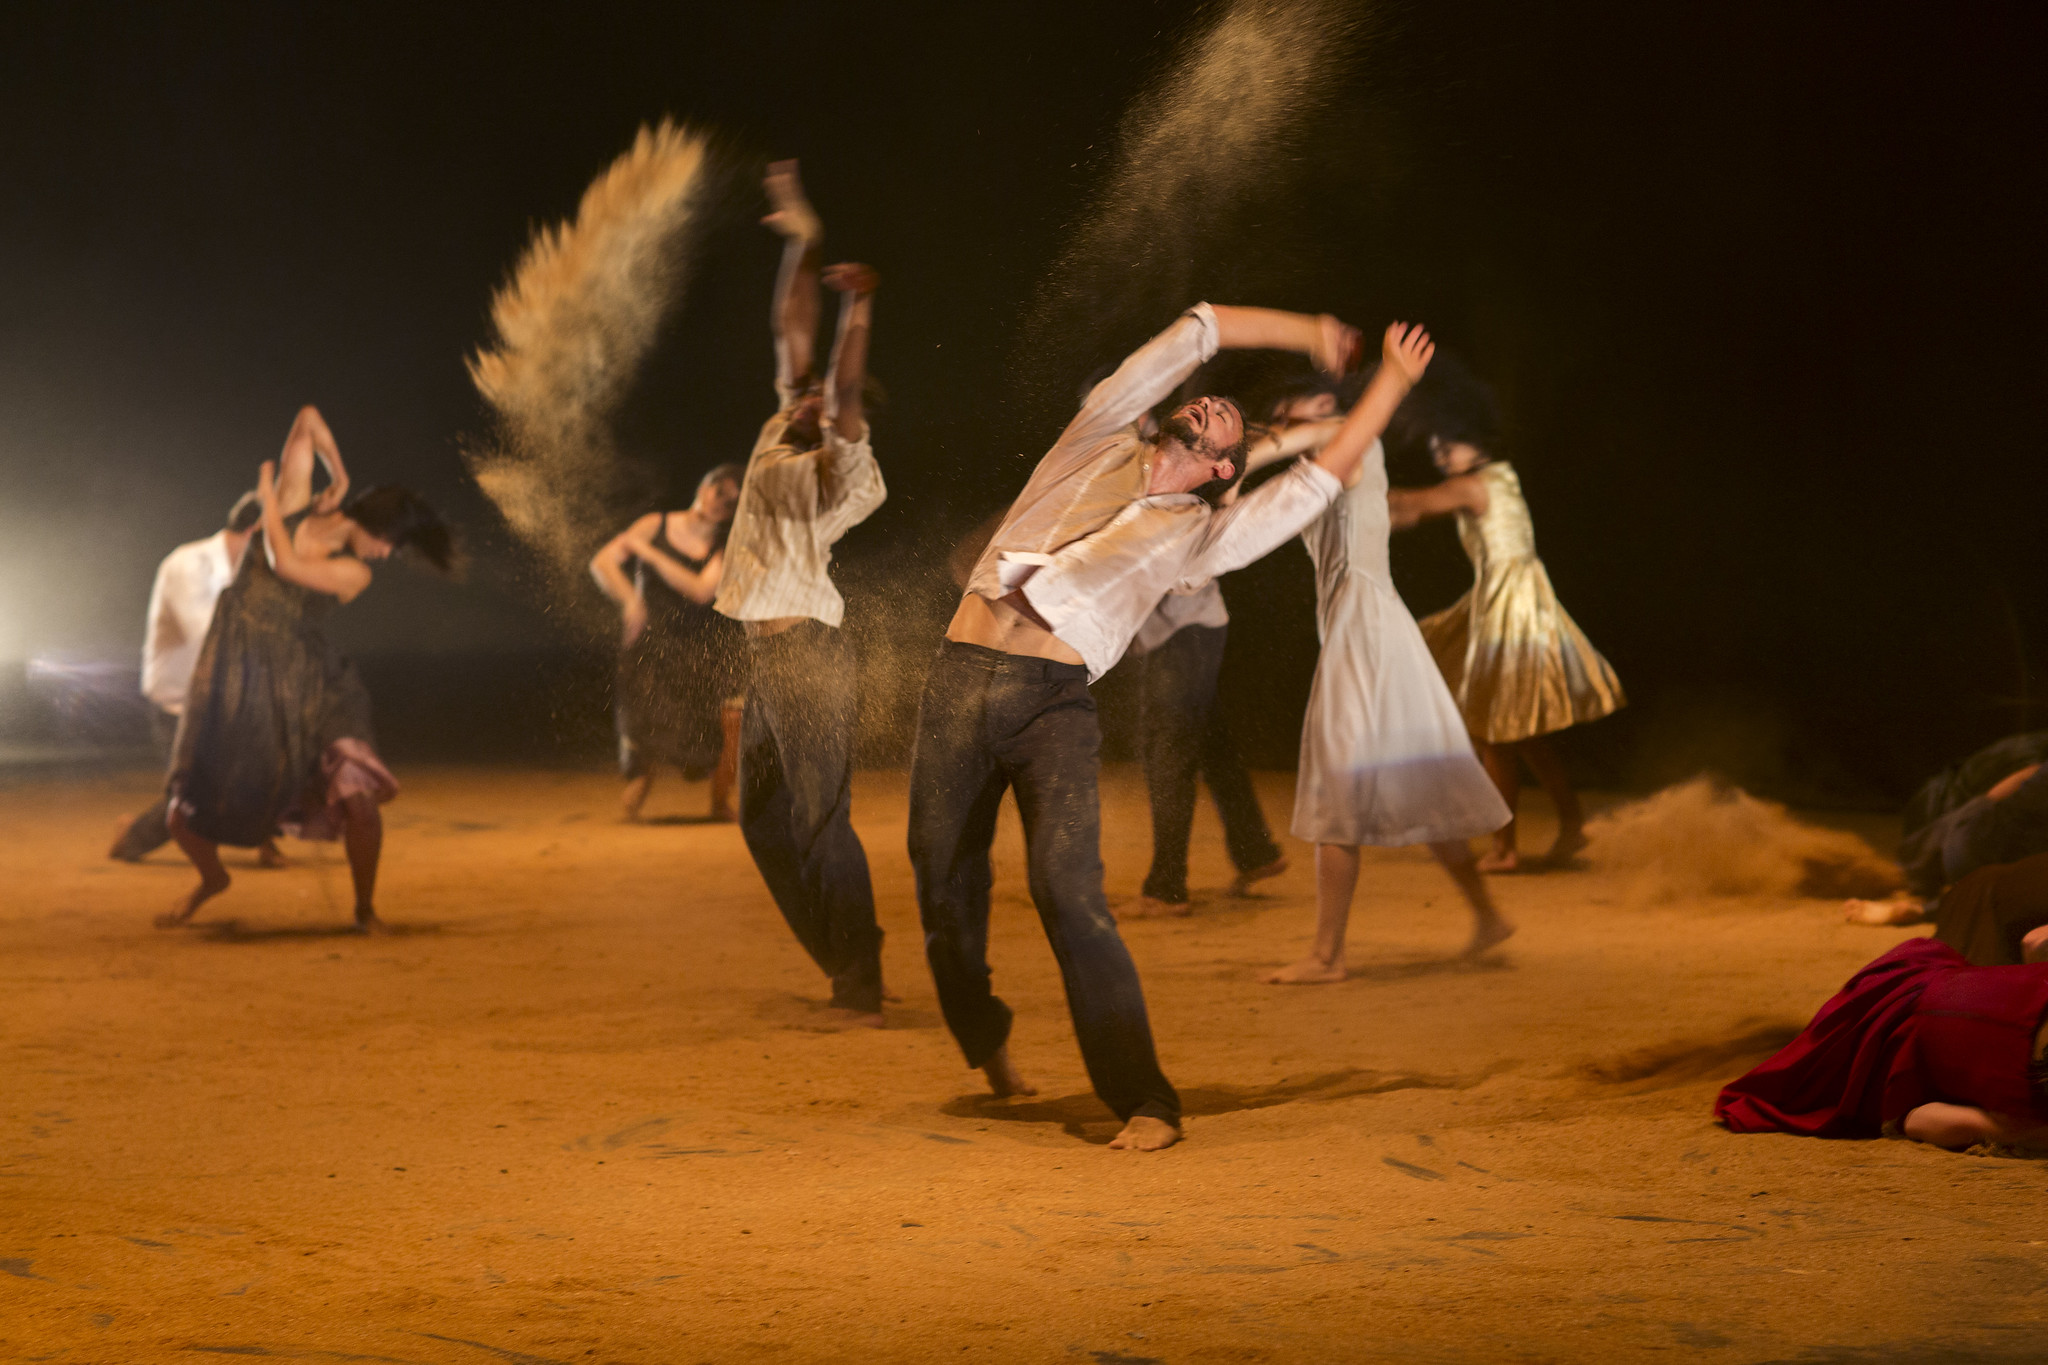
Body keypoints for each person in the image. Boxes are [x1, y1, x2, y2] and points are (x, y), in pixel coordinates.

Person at [910, 303, 1431, 1153]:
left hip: (1053, 705)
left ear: (1225, 463)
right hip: (958, 683)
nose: (1210, 402)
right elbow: (1202, 328)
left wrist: (1392, 388)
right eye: (1205, 402)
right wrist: (1308, 333)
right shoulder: (1100, 432)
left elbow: (1317, 480)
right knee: (942, 888)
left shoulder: (1199, 539)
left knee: (1067, 893)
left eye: (1227, 415)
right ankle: (987, 1039)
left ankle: (1146, 1099)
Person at [1243, 386, 1514, 983]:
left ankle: (1326, 956)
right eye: (1299, 401)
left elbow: (1310, 438)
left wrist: (1242, 451)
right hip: (1370, 629)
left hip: (1364, 633)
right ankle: (1488, 917)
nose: (1312, 408)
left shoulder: (1350, 442)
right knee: (1425, 791)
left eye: (1317, 401)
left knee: (1335, 791)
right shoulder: (1313, 472)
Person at [157, 406, 452, 931]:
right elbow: (309, 420)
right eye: (389, 542)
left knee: (359, 796)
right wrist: (337, 474)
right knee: (182, 813)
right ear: (377, 525)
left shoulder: (352, 571)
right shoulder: (298, 504)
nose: (385, 555)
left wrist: (268, 497)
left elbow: (284, 563)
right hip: (243, 673)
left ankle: (365, 910)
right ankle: (212, 879)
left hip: (313, 681)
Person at [714, 160, 888, 1026]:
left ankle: (860, 978)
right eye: (812, 392)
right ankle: (846, 956)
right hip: (770, 653)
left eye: (830, 399)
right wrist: (803, 238)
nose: (817, 393)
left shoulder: (843, 468)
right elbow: (791, 328)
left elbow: (847, 381)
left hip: (811, 657)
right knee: (762, 822)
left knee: (823, 819)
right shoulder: (785, 422)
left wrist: (862, 308)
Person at [1391, 364, 1624, 872]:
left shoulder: (1473, 486)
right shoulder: (1498, 477)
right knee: (1519, 733)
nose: (1440, 452)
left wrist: (1345, 488)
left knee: (1492, 731)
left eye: (1450, 443)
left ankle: (1506, 848)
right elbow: (1412, 511)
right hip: (1515, 599)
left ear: (1478, 442)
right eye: (1435, 446)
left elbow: (1410, 505)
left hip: (1510, 608)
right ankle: (1571, 825)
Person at [1715, 936, 2048, 1150]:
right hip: (1897, 1028)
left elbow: (2034, 943)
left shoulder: (2024, 1115)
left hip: (1917, 988)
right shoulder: (2025, 1118)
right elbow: (1915, 1119)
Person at [108, 491, 281, 867]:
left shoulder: (253, 573)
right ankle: (133, 837)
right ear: (256, 531)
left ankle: (267, 841)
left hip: (224, 699)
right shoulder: (189, 563)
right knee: (192, 796)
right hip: (179, 700)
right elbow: (205, 633)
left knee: (266, 765)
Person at [1117, 583, 1289, 917]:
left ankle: (1166, 890)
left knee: (1168, 753)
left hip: (1179, 633)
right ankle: (1255, 851)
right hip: (1194, 626)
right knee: (1212, 744)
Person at [589, 463, 745, 822]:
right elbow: (602, 562)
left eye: (732, 502)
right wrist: (630, 600)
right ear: (705, 486)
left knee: (728, 723)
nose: (722, 503)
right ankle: (632, 803)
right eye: (719, 491)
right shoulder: (653, 525)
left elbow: (701, 590)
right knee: (642, 729)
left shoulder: (726, 545)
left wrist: (648, 553)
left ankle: (719, 805)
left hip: (698, 648)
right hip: (648, 646)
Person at [1847, 761, 2048, 923]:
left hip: (1966, 845)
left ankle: (1906, 875)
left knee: (1979, 811)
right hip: (1995, 883)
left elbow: (1997, 794)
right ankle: (1924, 909)